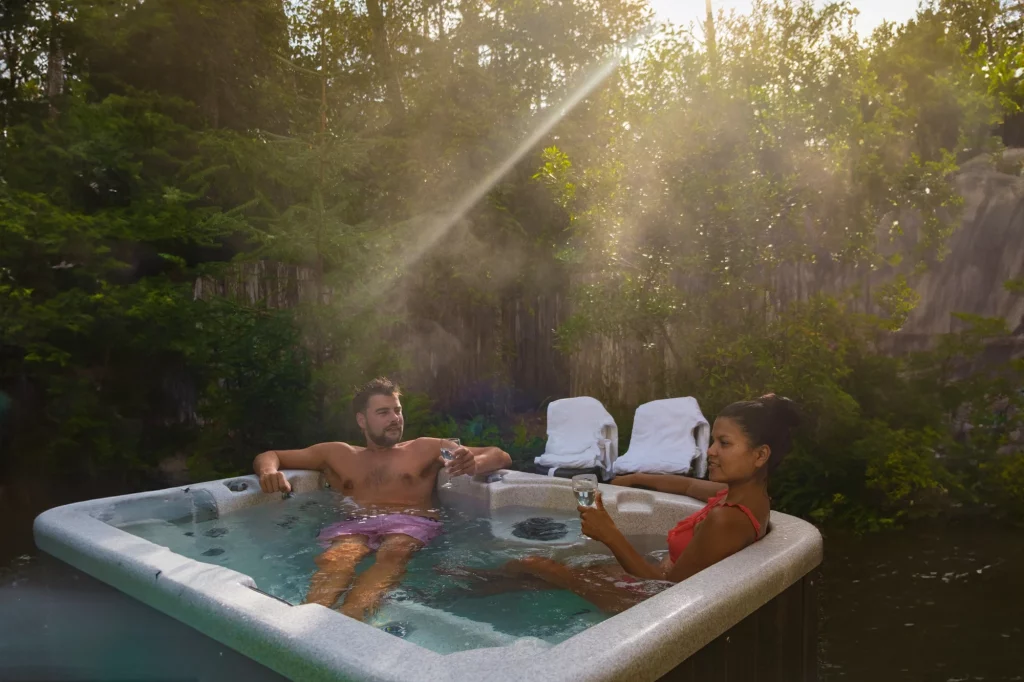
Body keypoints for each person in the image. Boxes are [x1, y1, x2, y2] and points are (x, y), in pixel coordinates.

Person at [444, 394, 799, 614]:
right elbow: (690, 485)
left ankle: (453, 594)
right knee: (539, 574)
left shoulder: (727, 518)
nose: (710, 451)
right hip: (649, 578)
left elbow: (666, 590)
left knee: (535, 564)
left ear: (760, 455)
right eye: (714, 441)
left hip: (647, 602)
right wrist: (635, 478)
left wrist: (608, 533)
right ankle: (468, 593)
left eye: (724, 443)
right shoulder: (743, 497)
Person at [252, 377, 512, 621]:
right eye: (383, 412)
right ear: (362, 420)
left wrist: (472, 462)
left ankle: (349, 618)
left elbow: (499, 455)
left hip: (411, 523)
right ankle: (306, 620)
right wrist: (269, 472)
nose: (395, 419)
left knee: (395, 550)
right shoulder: (337, 454)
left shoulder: (424, 448)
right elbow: (271, 455)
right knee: (340, 557)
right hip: (355, 523)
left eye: (397, 410)